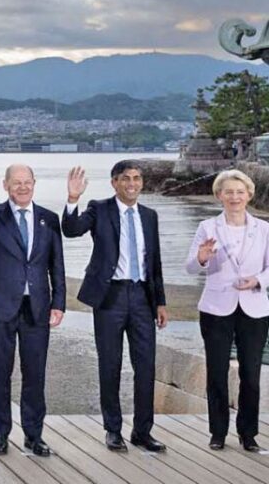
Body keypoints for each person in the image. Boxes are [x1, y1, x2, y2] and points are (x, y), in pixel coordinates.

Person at [63, 161, 168, 452]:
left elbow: (154, 263)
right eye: (126, 179)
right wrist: (73, 199)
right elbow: (71, 230)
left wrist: (160, 302)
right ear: (114, 183)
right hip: (109, 297)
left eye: (136, 178)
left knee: (146, 367)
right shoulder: (99, 209)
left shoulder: (150, 216)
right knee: (110, 364)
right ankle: (113, 430)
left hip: (142, 299)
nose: (132, 183)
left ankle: (142, 432)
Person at [0, 164, 64, 457]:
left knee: (35, 375)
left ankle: (34, 435)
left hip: (37, 308)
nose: (22, 187)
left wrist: (59, 303)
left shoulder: (48, 219)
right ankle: (0, 434)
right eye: (16, 182)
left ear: (34, 183)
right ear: (6, 185)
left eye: (27, 182)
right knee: (0, 374)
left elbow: (56, 265)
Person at [185, 169, 269, 451]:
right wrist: (202, 257)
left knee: (251, 373)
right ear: (219, 195)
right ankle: (217, 433)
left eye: (240, 192)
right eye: (229, 192)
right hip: (216, 307)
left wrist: (258, 280)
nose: (235, 197)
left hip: (254, 307)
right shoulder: (208, 227)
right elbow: (190, 267)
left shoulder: (264, 228)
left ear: (249, 195)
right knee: (217, 372)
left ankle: (248, 435)